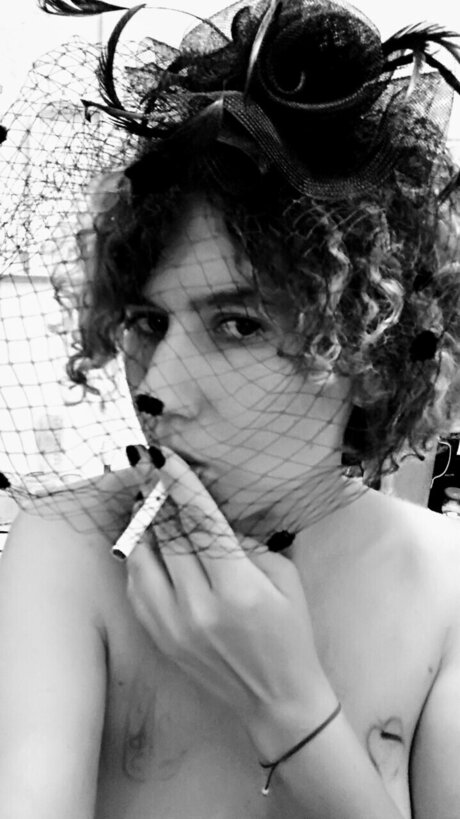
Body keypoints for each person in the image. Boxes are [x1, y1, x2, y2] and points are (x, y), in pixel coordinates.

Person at [1, 0, 460, 817]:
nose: (159, 389)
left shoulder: (445, 584)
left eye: (238, 325)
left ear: (367, 354)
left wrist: (289, 706)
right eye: (148, 323)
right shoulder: (70, 548)